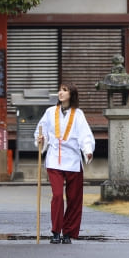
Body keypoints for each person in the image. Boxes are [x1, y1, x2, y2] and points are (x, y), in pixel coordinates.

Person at [34, 83, 95, 244]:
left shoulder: (78, 114)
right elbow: (41, 130)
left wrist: (87, 150)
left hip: (73, 159)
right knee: (58, 195)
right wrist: (41, 139)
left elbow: (85, 135)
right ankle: (56, 231)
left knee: (74, 198)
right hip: (54, 158)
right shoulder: (49, 112)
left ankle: (68, 232)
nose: (61, 93)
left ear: (71, 95)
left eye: (65, 90)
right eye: (60, 90)